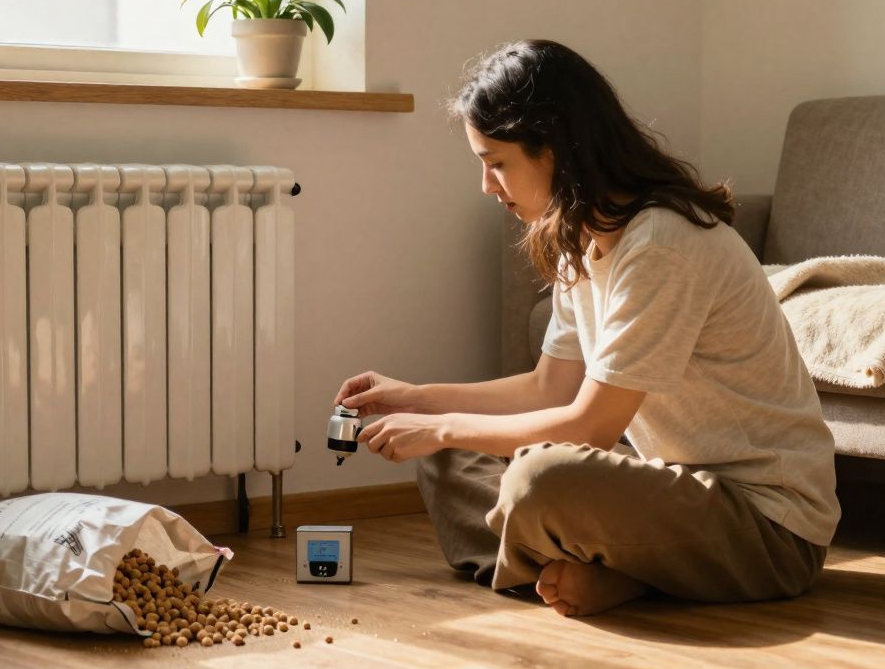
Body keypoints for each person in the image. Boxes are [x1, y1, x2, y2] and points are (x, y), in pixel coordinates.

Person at [332, 39, 839, 617]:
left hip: (766, 524)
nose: (487, 186)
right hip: (661, 490)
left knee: (538, 476)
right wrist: (417, 402)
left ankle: (605, 571)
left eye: (497, 163)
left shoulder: (662, 244)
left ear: (554, 149)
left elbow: (591, 426)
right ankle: (596, 571)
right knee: (447, 456)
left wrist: (445, 425)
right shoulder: (582, 240)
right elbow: (548, 389)